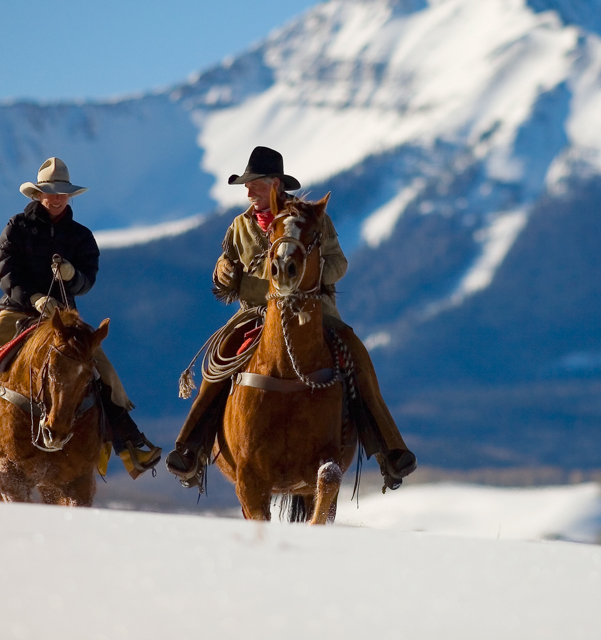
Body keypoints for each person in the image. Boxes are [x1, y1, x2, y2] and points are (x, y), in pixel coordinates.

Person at [164, 146, 417, 489]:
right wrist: (222, 271)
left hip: (314, 312)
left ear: (276, 184)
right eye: (247, 184)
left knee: (356, 355)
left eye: (255, 183)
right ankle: (191, 447)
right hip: (256, 315)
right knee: (218, 364)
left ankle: (390, 449)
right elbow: (227, 267)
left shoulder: (314, 218)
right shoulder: (239, 226)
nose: (248, 191)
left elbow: (339, 263)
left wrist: (309, 270)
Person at [0, 158, 163, 478]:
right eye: (50, 191)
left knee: (102, 369)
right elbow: (5, 272)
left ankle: (130, 442)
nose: (57, 196)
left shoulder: (81, 236)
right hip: (16, 311)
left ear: (69, 195)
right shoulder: (16, 227)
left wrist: (71, 274)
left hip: (62, 315)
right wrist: (34, 298)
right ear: (38, 194)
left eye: (62, 191)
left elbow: (87, 280)